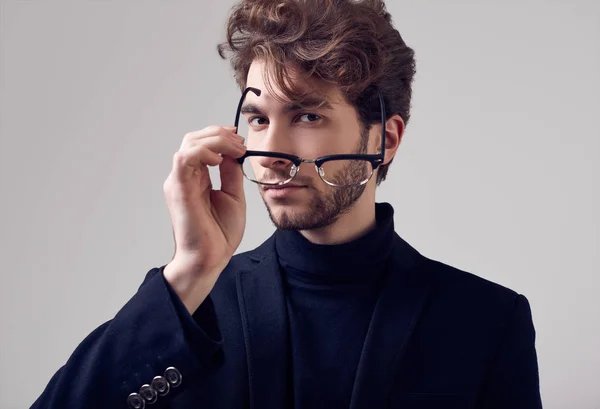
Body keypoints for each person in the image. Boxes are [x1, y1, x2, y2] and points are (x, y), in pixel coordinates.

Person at [30, 1, 542, 408]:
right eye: (257, 119)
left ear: (384, 139)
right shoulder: (190, 306)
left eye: (307, 117)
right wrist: (190, 270)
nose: (271, 153)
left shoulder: (487, 321)